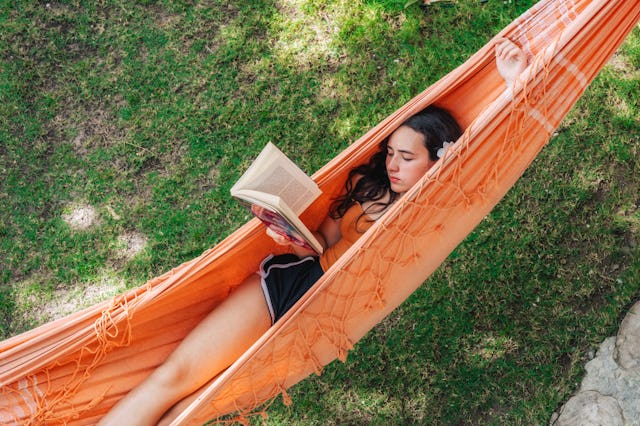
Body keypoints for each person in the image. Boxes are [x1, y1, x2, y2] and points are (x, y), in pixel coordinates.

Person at [99, 37, 526, 426]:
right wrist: (292, 236)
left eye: (407, 158)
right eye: (391, 153)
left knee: (192, 411)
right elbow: (321, 243)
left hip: (322, 318)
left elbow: (486, 162)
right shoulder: (368, 185)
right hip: (295, 281)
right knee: (175, 375)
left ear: (437, 161)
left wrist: (514, 86)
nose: (394, 166)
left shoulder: (435, 210)